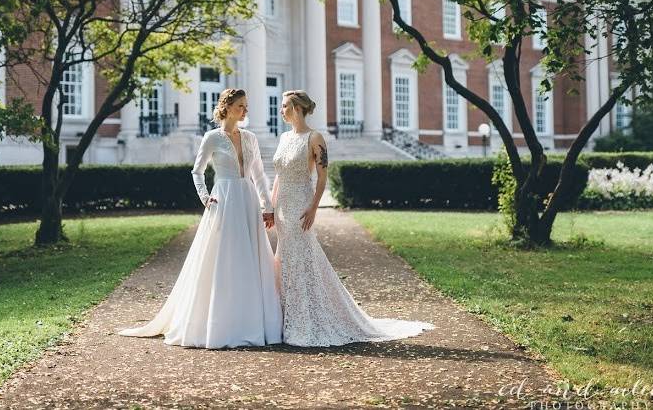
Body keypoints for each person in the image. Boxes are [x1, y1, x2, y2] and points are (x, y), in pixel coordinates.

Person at [268, 90, 435, 346]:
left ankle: (307, 318)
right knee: (285, 260)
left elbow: (322, 178)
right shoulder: (282, 137)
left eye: (284, 106)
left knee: (301, 259)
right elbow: (278, 176)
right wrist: (270, 205)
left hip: (300, 206)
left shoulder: (315, 138)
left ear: (297, 108)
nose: (281, 111)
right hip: (281, 207)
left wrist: (313, 208)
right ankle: (286, 317)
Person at [120, 88, 282, 348]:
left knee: (251, 257)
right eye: (241, 105)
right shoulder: (212, 138)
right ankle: (222, 323)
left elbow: (260, 176)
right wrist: (205, 197)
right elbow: (197, 171)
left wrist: (267, 206)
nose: (245, 110)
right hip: (225, 200)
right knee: (225, 259)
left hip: (248, 199)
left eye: (246, 105)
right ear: (227, 107)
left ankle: (254, 321)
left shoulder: (251, 137)